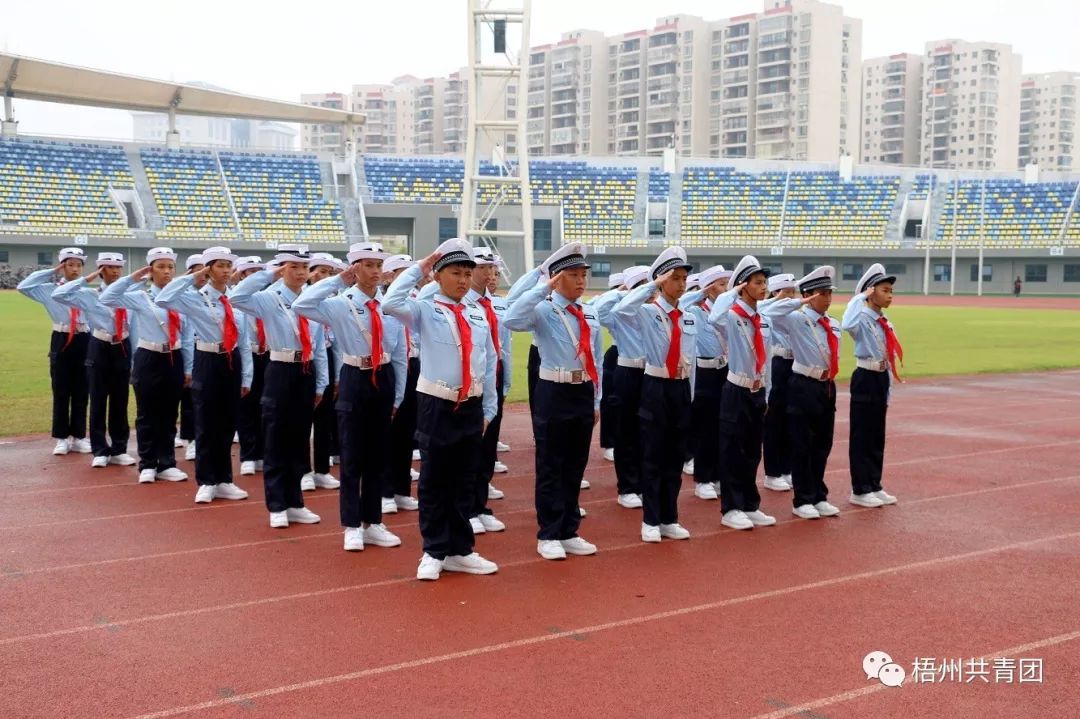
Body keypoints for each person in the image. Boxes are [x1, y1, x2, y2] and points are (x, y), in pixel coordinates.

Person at [384, 238, 499, 580]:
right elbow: (391, 302)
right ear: (437, 276)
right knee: (435, 480)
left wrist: (489, 408)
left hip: (472, 405)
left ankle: (460, 549)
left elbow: (489, 360)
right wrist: (419, 268)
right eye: (455, 273)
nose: (463, 280)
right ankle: (434, 550)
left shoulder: (477, 312)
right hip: (437, 403)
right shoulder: (424, 307)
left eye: (467, 273)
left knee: (464, 480)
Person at [294, 242, 407, 551]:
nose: (375, 271)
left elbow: (398, 354)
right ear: (354, 268)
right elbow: (301, 305)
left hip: (383, 377)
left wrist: (397, 395)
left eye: (378, 265)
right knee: (353, 454)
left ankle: (374, 521)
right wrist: (336, 281)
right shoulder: (341, 303)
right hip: (354, 375)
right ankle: (352, 524)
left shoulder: (388, 306)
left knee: (377, 454)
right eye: (367, 265)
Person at [505, 242, 602, 561]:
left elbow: (596, 357)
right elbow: (511, 318)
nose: (580, 281)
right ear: (557, 279)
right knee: (551, 464)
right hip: (553, 391)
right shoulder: (543, 309)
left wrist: (597, 398)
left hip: (582, 392)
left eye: (582, 275)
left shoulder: (589, 310)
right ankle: (548, 532)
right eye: (572, 275)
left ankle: (569, 529)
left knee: (575, 464)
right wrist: (542, 287)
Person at [230, 245, 329, 528]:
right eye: (292, 267)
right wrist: (266, 274)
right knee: (276, 437)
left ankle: (295, 501)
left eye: (303, 267)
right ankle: (276, 504)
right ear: (282, 269)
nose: (299, 273)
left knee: (299, 439)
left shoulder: (311, 300)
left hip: (306, 371)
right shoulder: (268, 298)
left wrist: (321, 382)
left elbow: (319, 345)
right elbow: (237, 296)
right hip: (280, 368)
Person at [156, 246, 253, 504]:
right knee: (207, 422)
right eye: (219, 266)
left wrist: (247, 377)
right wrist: (193, 276)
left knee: (227, 422)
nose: (225, 271)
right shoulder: (196, 297)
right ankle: (207, 480)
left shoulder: (236, 299)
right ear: (209, 269)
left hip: (232, 360)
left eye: (227, 266)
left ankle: (225, 480)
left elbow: (244, 341)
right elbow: (163, 299)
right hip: (208, 360)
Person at [613, 247, 696, 543]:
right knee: (653, 454)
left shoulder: (688, 316)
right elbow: (620, 311)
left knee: (675, 456)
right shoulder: (648, 312)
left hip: (681, 388)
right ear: (662, 280)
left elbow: (692, 358)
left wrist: (691, 395)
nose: (682, 284)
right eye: (675, 278)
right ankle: (650, 519)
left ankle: (669, 517)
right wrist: (652, 284)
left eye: (684, 278)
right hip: (656, 386)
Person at [98, 247, 191, 483]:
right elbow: (107, 297)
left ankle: (167, 462)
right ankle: (148, 463)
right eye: (161, 267)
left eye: (170, 267)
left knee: (170, 413)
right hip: (148, 356)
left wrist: (189, 367)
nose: (167, 272)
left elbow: (188, 336)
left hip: (174, 357)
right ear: (151, 270)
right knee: (147, 413)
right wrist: (131, 278)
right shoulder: (141, 296)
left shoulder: (182, 297)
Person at [761, 266, 842, 520]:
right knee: (802, 443)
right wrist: (798, 301)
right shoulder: (796, 319)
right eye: (822, 293)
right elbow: (765, 312)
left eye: (829, 293)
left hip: (826, 385)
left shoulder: (833, 324)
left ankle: (819, 494)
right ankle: (803, 499)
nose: (828, 299)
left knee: (822, 443)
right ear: (808, 294)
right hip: (803, 383)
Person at [707, 255, 777, 531]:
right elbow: (714, 316)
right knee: (732, 449)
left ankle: (750, 503)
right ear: (743, 286)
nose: (764, 287)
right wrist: (733, 290)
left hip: (757, 390)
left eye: (764, 282)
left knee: (752, 450)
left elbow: (767, 360)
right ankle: (732, 507)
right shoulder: (732, 317)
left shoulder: (764, 319)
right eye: (757, 283)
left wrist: (768, 393)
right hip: (736, 388)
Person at [52, 252, 137, 468]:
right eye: (109, 267)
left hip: (123, 345)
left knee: (120, 400)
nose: (115, 271)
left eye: (118, 267)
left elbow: (135, 327)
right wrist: (85, 279)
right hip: (99, 345)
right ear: (101, 271)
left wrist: (135, 358)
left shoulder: (130, 293)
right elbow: (59, 295)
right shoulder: (89, 295)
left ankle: (119, 448)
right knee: (98, 399)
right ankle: (99, 449)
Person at [16, 247, 92, 456]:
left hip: (84, 337)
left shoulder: (87, 291)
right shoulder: (49, 289)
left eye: (78, 265)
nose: (75, 269)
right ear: (62, 267)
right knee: (60, 390)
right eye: (70, 265)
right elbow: (23, 286)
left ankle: (79, 436)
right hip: (61, 338)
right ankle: (61, 438)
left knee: (81, 390)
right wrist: (52, 271)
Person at [843, 263, 903, 508]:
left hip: (880, 377)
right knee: (862, 435)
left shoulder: (885, 320)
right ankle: (860, 488)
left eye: (891, 291)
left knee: (877, 435)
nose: (890, 295)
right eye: (885, 290)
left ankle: (874, 484)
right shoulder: (861, 318)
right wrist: (859, 298)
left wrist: (887, 387)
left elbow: (888, 356)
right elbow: (847, 324)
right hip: (865, 377)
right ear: (871, 292)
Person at [462, 246, 511, 534]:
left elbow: (502, 348)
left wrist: (504, 383)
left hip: (494, 376)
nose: (488, 273)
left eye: (491, 268)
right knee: (469, 448)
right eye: (482, 267)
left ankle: (480, 504)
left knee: (488, 444)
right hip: (470, 380)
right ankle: (467, 508)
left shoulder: (498, 305)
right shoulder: (460, 303)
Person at [596, 265, 651, 509]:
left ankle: (643, 482)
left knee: (648, 431)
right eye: (642, 287)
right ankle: (627, 486)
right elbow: (597, 310)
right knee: (627, 430)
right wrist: (622, 292)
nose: (648, 293)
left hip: (653, 373)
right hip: (628, 372)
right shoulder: (619, 314)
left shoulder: (654, 312)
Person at [679, 264, 732, 501]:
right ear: (709, 288)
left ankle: (720, 475)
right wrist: (701, 292)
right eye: (721, 284)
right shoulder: (695, 310)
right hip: (705, 373)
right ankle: (703, 478)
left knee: (725, 427)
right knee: (705, 428)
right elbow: (679, 304)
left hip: (726, 371)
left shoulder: (729, 311)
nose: (726, 288)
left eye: (726, 283)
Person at [376, 253, 422, 514]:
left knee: (407, 431)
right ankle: (385, 490)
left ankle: (402, 488)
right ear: (389, 276)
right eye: (400, 272)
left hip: (414, 364)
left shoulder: (417, 301)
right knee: (387, 432)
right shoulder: (383, 304)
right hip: (391, 365)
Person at [304, 252, 343, 491]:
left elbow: (336, 341)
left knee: (324, 415)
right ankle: (303, 470)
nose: (324, 276)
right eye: (319, 270)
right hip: (303, 358)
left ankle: (321, 468)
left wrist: (336, 374)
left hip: (326, 354)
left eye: (329, 272)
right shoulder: (301, 297)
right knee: (302, 418)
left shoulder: (334, 300)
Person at [760, 273, 797, 493]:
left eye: (793, 292)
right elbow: (765, 310)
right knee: (774, 421)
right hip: (777, 364)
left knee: (790, 420)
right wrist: (778, 300)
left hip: (795, 364)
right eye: (787, 292)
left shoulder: (794, 313)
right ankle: (772, 473)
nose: (792, 297)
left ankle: (786, 468)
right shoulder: (769, 310)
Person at [232, 256, 267, 478]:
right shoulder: (236, 299)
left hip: (269, 356)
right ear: (242, 275)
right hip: (248, 354)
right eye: (249, 271)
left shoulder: (269, 298)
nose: (255, 274)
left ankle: (262, 452)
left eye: (258, 270)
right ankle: (248, 455)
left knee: (266, 407)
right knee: (247, 407)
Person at [595, 272, 624, 462]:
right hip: (617, 355)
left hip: (644, 360)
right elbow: (599, 310)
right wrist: (621, 293)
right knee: (610, 402)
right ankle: (610, 443)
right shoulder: (615, 310)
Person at [178, 254, 204, 462]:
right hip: (189, 349)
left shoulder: (215, 294)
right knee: (189, 399)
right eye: (198, 270)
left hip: (210, 351)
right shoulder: (184, 295)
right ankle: (191, 439)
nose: (203, 274)